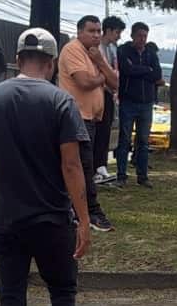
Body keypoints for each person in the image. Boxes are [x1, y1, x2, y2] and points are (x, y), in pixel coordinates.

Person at [0, 28, 92, 306]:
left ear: (17, 60)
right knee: (63, 291)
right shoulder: (61, 101)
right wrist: (84, 220)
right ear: (51, 63)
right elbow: (71, 166)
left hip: (6, 220)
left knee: (11, 300)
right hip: (52, 220)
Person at [58, 15, 115, 232]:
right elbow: (84, 82)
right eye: (91, 31)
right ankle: (91, 212)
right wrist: (102, 77)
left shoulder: (97, 54)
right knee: (83, 166)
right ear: (79, 31)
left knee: (85, 167)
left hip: (92, 118)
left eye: (99, 31)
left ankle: (76, 211)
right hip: (75, 117)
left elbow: (116, 83)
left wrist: (100, 63)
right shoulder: (72, 50)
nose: (96, 35)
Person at [116, 21, 162, 188]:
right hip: (128, 101)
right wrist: (147, 70)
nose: (142, 39)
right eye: (139, 36)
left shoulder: (151, 54)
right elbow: (126, 70)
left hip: (146, 103)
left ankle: (142, 176)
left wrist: (138, 70)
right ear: (132, 35)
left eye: (145, 36)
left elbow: (157, 74)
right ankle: (121, 175)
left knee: (143, 141)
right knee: (124, 139)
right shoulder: (123, 51)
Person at [94, 15, 125, 182]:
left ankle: (102, 165)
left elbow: (114, 71)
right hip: (99, 92)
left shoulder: (112, 49)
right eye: (117, 32)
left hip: (110, 93)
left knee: (106, 130)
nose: (119, 36)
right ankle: (95, 167)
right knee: (98, 130)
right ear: (108, 30)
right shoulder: (96, 48)